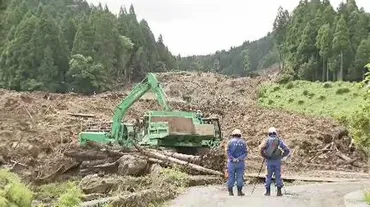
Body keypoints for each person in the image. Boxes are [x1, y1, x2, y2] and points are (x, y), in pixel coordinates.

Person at [259, 127, 290, 196]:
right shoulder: (279, 141)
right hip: (277, 161)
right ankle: (279, 192)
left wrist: (265, 156)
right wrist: (282, 156)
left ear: (269, 133)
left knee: (268, 176)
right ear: (275, 133)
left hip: (269, 161)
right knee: (278, 176)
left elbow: (261, 149)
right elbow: (287, 150)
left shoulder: (266, 141)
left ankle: (268, 192)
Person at [226, 129, 248, 196]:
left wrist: (233, 158)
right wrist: (239, 159)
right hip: (240, 163)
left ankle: (230, 192)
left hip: (231, 163)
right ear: (240, 135)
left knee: (231, 177)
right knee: (240, 177)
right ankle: (239, 191)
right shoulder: (243, 143)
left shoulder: (229, 142)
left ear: (233, 135)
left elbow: (227, 152)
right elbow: (246, 152)